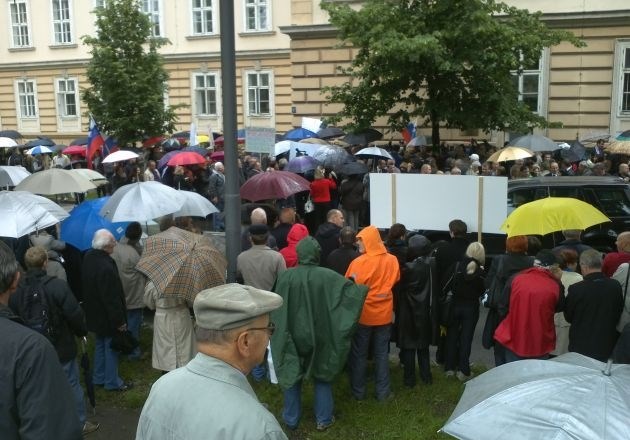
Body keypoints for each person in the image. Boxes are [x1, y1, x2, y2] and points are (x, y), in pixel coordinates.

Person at [137, 284, 288, 440]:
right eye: (269, 328)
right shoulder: (260, 429)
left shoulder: (162, 386)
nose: (269, 336)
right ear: (245, 342)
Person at [272, 236, 367, 431]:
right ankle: (323, 418)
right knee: (322, 371)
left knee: (291, 369)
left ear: (299, 254)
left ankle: (291, 419)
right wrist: (358, 287)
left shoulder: (286, 277)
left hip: (292, 333)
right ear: (316, 253)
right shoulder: (328, 276)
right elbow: (350, 295)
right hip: (321, 333)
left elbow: (276, 306)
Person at [0, 241, 83, 439]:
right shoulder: (28, 350)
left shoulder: (19, 294)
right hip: (59, 347)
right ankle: (81, 420)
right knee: (71, 385)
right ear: (14, 278)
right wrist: (81, 331)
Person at [346, 225, 400, 401]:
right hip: (384, 314)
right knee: (382, 354)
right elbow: (396, 279)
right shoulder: (392, 260)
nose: (358, 243)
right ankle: (383, 393)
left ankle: (358, 392)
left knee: (360, 354)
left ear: (369, 241)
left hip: (364, 314)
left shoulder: (358, 263)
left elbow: (349, 284)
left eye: (360, 240)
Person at [82, 229, 132, 391]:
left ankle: (99, 377)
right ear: (105, 246)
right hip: (107, 315)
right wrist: (120, 321)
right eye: (112, 242)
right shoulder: (105, 266)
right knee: (111, 348)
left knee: (100, 345)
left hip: (94, 312)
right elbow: (111, 298)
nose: (115, 244)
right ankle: (112, 382)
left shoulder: (89, 257)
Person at [494, 250, 565, 362]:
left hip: (513, 336)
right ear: (552, 268)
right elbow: (560, 307)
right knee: (536, 376)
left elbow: (503, 306)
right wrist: (559, 281)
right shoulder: (555, 285)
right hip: (540, 340)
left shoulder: (516, 278)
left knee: (512, 374)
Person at [482, 235, 534, 366]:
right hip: (524, 306)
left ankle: (501, 372)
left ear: (507, 245)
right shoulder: (532, 261)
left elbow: (488, 282)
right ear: (525, 246)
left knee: (500, 343)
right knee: (521, 341)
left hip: (500, 308)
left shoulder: (499, 260)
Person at [564, 249, 623, 362]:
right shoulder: (615, 285)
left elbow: (568, 317)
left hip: (581, 343)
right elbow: (618, 310)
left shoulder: (576, 289)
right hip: (607, 342)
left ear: (583, 265)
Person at [395, 234, 435, 387]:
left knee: (409, 347)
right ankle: (427, 378)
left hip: (407, 312)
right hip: (424, 311)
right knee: (423, 347)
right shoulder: (431, 265)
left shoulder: (406, 268)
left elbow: (398, 287)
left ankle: (409, 380)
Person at [444, 242, 486, 382]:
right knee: (466, 339)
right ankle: (463, 370)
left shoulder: (457, 266)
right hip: (471, 307)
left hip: (455, 305)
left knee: (452, 336)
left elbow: (445, 285)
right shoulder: (481, 272)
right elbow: (482, 291)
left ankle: (449, 368)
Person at [111, 222, 146, 360]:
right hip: (133, 294)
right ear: (138, 236)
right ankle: (133, 352)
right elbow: (144, 270)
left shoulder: (116, 247)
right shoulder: (133, 254)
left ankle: (121, 349)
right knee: (133, 324)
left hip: (119, 293)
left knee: (122, 323)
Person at [550, 248, 583, 356]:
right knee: (563, 353)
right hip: (567, 321)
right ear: (570, 263)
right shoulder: (578, 278)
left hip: (551, 318)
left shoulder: (550, 276)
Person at [237, 224, 287, 291]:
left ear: (250, 238)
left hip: (250, 299)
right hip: (272, 299)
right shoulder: (277, 257)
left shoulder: (241, 257)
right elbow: (284, 280)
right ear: (267, 238)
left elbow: (239, 277)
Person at [310, 166, 337, 231]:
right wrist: (331, 179)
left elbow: (312, 194)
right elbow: (334, 186)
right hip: (326, 202)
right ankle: (327, 231)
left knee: (318, 218)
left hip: (317, 202)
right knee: (326, 217)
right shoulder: (326, 181)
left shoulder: (313, 184)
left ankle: (318, 231)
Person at [207, 162, 225, 231]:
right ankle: (217, 227)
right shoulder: (214, 176)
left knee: (219, 211)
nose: (224, 168)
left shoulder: (221, 175)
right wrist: (214, 196)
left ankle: (220, 225)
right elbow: (212, 187)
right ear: (219, 168)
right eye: (223, 166)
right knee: (216, 212)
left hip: (222, 196)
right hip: (218, 197)